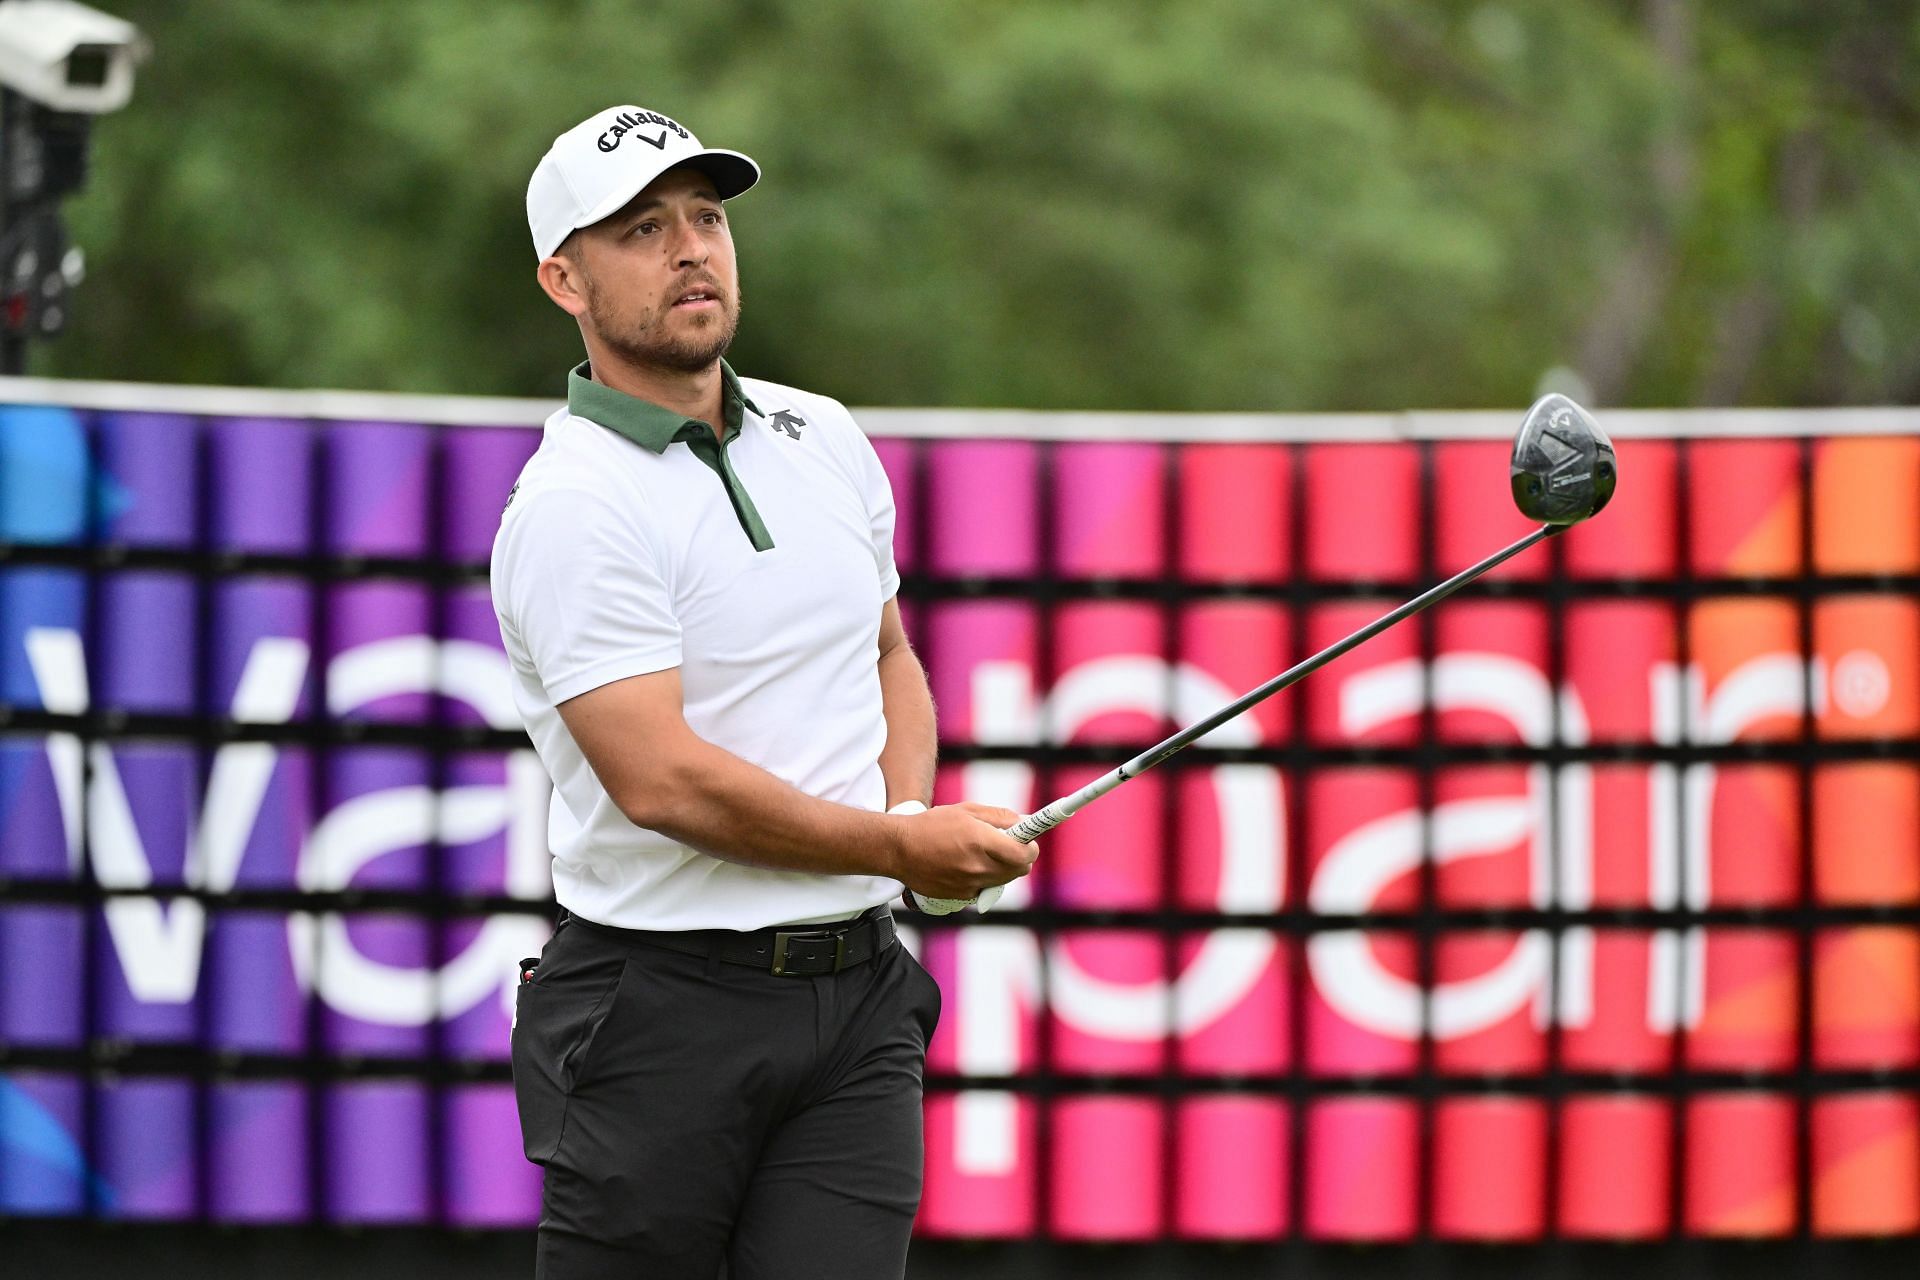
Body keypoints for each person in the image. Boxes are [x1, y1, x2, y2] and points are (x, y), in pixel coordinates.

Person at [492, 104, 1038, 1279]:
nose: (692, 246)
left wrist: (904, 823)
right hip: (657, 1007)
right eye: (642, 228)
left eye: (706, 216)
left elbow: (886, 653)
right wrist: (904, 851)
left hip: (855, 1001)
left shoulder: (823, 434)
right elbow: (663, 782)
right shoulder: (574, 505)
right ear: (564, 279)